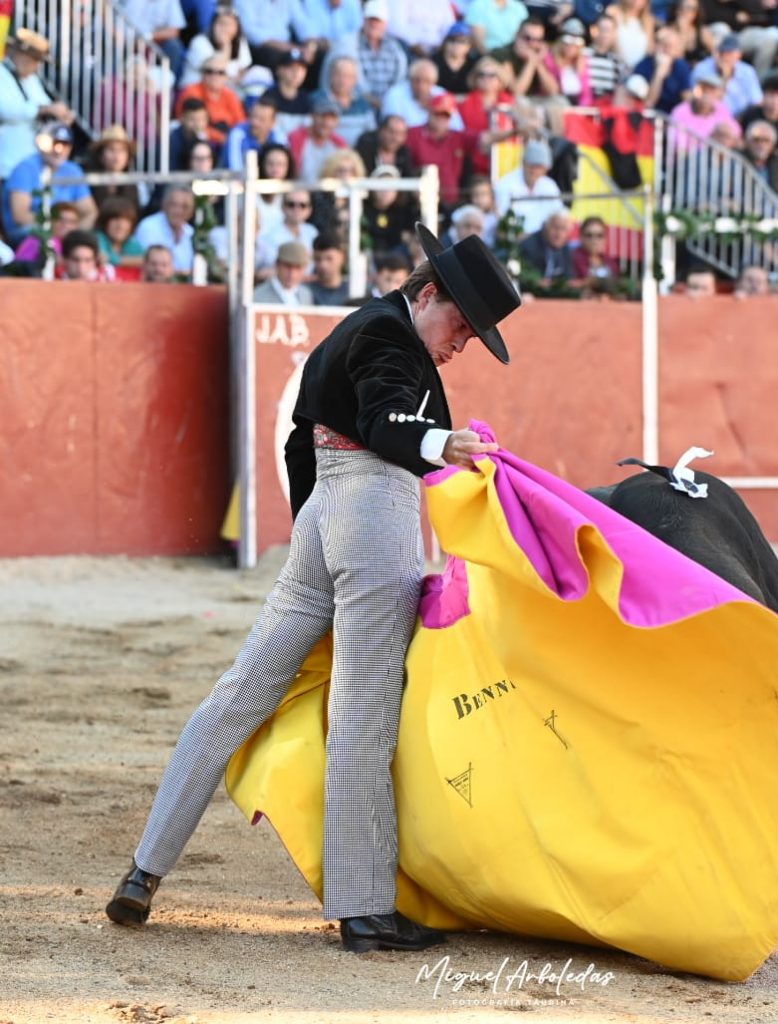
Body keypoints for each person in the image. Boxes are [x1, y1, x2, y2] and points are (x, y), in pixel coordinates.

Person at [105, 224, 521, 953]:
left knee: (239, 692)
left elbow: (305, 437)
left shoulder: (356, 327)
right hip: (374, 509)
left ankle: (144, 870)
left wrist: (317, 534)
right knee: (365, 706)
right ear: (429, 294)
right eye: (461, 326)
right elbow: (387, 419)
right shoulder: (392, 338)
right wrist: (436, 445)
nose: (460, 345)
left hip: (323, 517)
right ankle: (364, 910)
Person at [0, 28, 74, 184]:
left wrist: (60, 115)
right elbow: (5, 109)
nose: (37, 66)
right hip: (6, 164)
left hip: (29, 164)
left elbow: (45, 103)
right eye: (35, 60)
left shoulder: (31, 80)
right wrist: (44, 110)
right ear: (21, 56)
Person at [2, 123, 96, 246]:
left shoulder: (73, 170)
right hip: (29, 233)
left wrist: (74, 235)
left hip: (64, 232)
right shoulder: (25, 168)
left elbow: (90, 212)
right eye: (54, 143)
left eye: (65, 144)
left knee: (90, 243)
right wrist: (58, 226)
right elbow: (20, 216)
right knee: (42, 240)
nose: (59, 150)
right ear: (41, 144)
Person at [405, 93, 469, 210]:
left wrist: (511, 131)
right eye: (438, 114)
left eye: (446, 115)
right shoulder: (413, 134)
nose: (441, 119)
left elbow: (483, 140)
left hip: (451, 203)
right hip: (420, 201)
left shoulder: (458, 137)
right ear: (429, 112)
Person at [494, 138, 566, 235]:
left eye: (539, 167)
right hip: (515, 240)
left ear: (546, 169)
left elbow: (559, 213)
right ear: (523, 163)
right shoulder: (505, 184)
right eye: (532, 166)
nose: (535, 171)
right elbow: (502, 218)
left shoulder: (550, 185)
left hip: (545, 240)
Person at [174, 54, 247, 146]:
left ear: (226, 77)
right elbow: (192, 125)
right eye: (209, 71)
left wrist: (230, 139)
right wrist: (221, 138)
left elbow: (240, 123)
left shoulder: (230, 95)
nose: (215, 76)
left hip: (227, 141)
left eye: (220, 72)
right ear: (202, 74)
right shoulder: (192, 92)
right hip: (197, 141)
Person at [381, 59, 466, 132]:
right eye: (416, 80)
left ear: (433, 83)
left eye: (427, 81)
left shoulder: (442, 94)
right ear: (410, 79)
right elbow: (393, 130)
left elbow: (457, 128)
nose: (421, 86)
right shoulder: (395, 95)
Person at [180, 4, 253, 89]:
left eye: (230, 25)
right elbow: (215, 71)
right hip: (196, 91)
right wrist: (226, 46)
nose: (225, 28)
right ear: (213, 25)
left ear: (237, 28)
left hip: (226, 90)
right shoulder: (199, 42)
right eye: (221, 24)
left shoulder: (240, 41)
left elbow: (243, 69)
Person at [691, 33, 762, 118]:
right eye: (723, 53)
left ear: (739, 55)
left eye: (730, 53)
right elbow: (694, 96)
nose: (726, 57)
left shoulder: (747, 72)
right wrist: (723, 76)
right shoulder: (703, 68)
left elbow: (756, 101)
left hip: (741, 118)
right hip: (708, 116)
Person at [315, 56, 378, 148]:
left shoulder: (363, 104)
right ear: (331, 75)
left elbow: (372, 133)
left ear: (355, 79)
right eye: (339, 75)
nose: (342, 81)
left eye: (348, 76)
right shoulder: (317, 100)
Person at [631, 24, 692, 115]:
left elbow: (687, 100)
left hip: (674, 116)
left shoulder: (681, 66)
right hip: (648, 115)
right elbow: (649, 103)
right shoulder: (643, 65)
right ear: (656, 46)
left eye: (671, 46)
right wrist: (659, 74)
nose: (667, 50)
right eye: (663, 45)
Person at [132, 186, 196, 274]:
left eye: (185, 207)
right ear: (164, 205)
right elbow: (147, 266)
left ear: (191, 212)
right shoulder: (148, 227)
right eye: (174, 204)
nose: (179, 210)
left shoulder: (191, 233)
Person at [289, 97, 348, 181]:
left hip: (330, 190)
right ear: (313, 116)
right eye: (323, 116)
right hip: (300, 189)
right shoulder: (296, 138)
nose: (327, 122)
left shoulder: (339, 143)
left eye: (332, 118)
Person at [223, 96, 288, 171]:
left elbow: (283, 171)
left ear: (272, 123)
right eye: (253, 116)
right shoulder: (237, 134)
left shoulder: (278, 137)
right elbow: (236, 171)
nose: (255, 122)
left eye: (261, 119)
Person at [263, 48, 315, 139]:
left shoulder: (306, 99)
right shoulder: (269, 96)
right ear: (279, 70)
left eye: (301, 68)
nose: (296, 72)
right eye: (291, 68)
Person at [519, 208, 574, 282]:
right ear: (545, 226)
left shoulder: (565, 247)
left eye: (563, 229)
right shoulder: (530, 246)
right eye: (555, 227)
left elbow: (569, 278)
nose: (559, 234)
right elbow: (527, 279)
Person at [253, 241, 315, 305]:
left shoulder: (306, 294)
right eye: (287, 266)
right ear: (277, 264)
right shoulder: (259, 296)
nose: (292, 274)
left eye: (298, 268)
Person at [569, 214, 620, 291]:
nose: (594, 240)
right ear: (581, 237)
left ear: (605, 239)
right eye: (589, 235)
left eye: (599, 235)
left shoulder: (611, 262)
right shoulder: (570, 259)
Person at [95, 196, 145, 270]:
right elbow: (101, 257)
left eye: (126, 220)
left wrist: (114, 259)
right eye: (115, 219)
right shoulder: (96, 238)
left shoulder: (132, 242)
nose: (120, 225)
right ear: (105, 222)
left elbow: (147, 260)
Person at [310, 231, 350, 305]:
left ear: (342, 257)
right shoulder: (306, 293)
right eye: (318, 259)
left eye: (329, 259)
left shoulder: (353, 291)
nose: (323, 265)